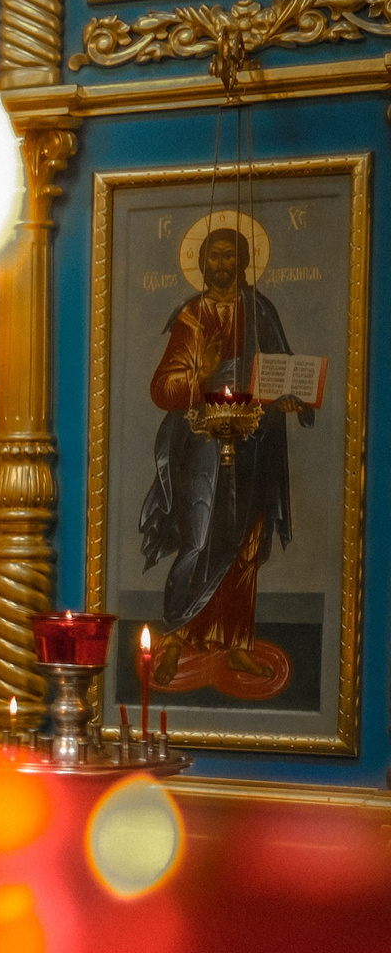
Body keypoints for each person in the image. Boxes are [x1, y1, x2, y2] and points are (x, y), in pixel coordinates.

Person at [140, 224, 304, 698]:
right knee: (199, 535)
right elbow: (162, 389)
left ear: (244, 261)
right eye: (212, 256)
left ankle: (235, 642)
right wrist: (205, 374)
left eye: (229, 256)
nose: (220, 265)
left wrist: (290, 396)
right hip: (203, 445)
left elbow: (281, 367)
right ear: (201, 262)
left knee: (248, 542)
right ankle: (175, 634)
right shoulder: (191, 318)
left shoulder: (260, 311)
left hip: (256, 441)